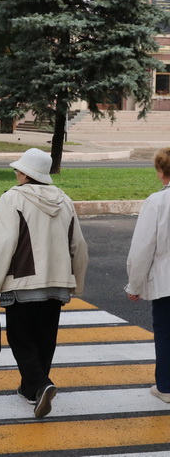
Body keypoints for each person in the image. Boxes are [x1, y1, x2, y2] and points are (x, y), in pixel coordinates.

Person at [0, 147, 88, 419]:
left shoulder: (12, 199)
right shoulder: (64, 200)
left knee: (19, 337)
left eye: (18, 169)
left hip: (22, 281)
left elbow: (4, 243)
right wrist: (76, 282)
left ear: (26, 174)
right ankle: (31, 390)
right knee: (45, 337)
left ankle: (41, 384)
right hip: (58, 281)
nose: (16, 173)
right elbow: (79, 245)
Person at [125, 147, 170, 403]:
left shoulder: (157, 202)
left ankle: (165, 386)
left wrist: (134, 285)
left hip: (166, 283)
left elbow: (143, 248)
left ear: (161, 171)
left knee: (165, 332)